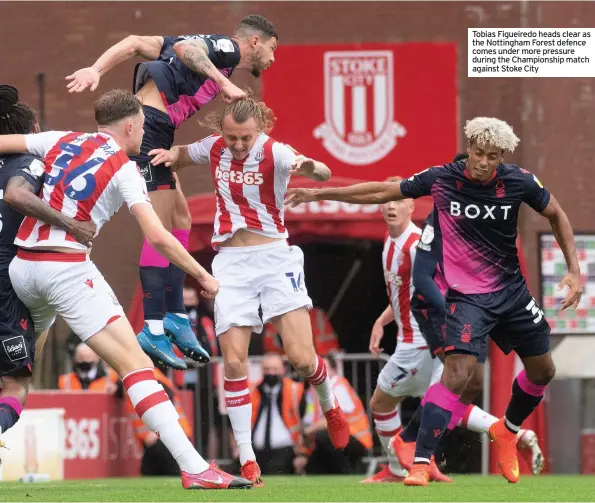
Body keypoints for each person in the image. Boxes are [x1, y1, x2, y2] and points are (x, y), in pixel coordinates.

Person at [285, 117, 582, 485]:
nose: (484, 162)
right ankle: (420, 462)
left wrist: (574, 270)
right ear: (468, 146)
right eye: (478, 153)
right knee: (457, 375)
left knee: (544, 371)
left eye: (493, 156)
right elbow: (381, 191)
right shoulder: (442, 179)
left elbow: (555, 213)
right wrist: (318, 194)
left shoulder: (519, 180)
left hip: (511, 293)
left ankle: (508, 430)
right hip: (466, 300)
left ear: (502, 155)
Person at [0, 88, 250, 489]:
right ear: (132, 126)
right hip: (64, 269)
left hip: (22, 267)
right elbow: (159, 237)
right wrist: (201, 274)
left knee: (18, 377)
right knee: (137, 367)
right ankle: (194, 467)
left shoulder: (62, 139)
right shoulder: (124, 167)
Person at [146, 97, 350, 486]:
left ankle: (329, 403)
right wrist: (164, 153)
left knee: (302, 359)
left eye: (245, 138)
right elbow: (185, 154)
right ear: (222, 130)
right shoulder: (216, 146)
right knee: (234, 362)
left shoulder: (277, 152)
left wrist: (310, 166)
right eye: (232, 137)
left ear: (260, 129)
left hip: (275, 258)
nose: (238, 145)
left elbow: (322, 173)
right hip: (231, 264)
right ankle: (247, 456)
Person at [66, 15, 278, 369]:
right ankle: (151, 326)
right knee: (160, 229)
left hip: (156, 131)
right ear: (255, 42)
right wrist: (222, 85)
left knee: (181, 217)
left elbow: (134, 40)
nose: (272, 59)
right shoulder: (225, 50)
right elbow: (187, 49)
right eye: (272, 49)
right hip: (149, 129)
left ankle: (176, 316)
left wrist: (95, 68)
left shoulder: (200, 47)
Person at [392, 153, 544, 476]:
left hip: (473, 307)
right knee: (455, 376)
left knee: (472, 381)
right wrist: (454, 310)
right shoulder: (440, 218)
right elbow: (421, 278)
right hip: (437, 307)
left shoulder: (488, 218)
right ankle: (414, 448)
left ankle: (423, 442)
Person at [0, 85, 95, 442]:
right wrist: (73, 225)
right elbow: (15, 195)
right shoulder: (30, 162)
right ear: (32, 132)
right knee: (17, 382)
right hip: (7, 282)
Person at [358, 176, 448, 484]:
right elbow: (403, 296)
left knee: (381, 403)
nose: (392, 206)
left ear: (412, 206)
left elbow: (436, 291)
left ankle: (401, 468)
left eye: (399, 200)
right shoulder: (389, 241)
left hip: (420, 341)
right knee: (441, 403)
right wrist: (380, 322)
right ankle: (511, 431)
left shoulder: (416, 244)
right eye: (388, 200)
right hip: (410, 340)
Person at [296, 355, 372, 475]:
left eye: (322, 368)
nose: (318, 372)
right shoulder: (312, 392)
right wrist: (303, 450)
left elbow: (331, 420)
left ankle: (345, 472)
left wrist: (307, 433)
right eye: (315, 369)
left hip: (356, 439)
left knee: (323, 436)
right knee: (311, 462)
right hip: (337, 438)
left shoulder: (339, 386)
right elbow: (309, 421)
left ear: (333, 370)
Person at [250, 352, 305, 475]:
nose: (271, 373)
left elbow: (306, 420)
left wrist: (303, 453)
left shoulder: (295, 389)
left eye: (275, 369)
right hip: (255, 450)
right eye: (267, 369)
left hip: (285, 449)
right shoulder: (253, 390)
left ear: (283, 370)